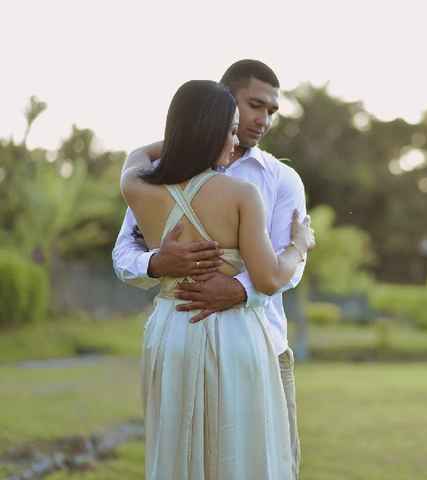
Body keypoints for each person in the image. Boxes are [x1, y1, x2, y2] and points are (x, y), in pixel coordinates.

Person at [112, 60, 307, 478]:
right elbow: (272, 275)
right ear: (217, 121)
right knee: (240, 455)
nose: (243, 134)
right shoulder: (243, 193)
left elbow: (136, 155)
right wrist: (299, 245)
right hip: (236, 338)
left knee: (176, 453)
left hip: (171, 328)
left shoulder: (138, 185)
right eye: (237, 122)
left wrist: (184, 137)